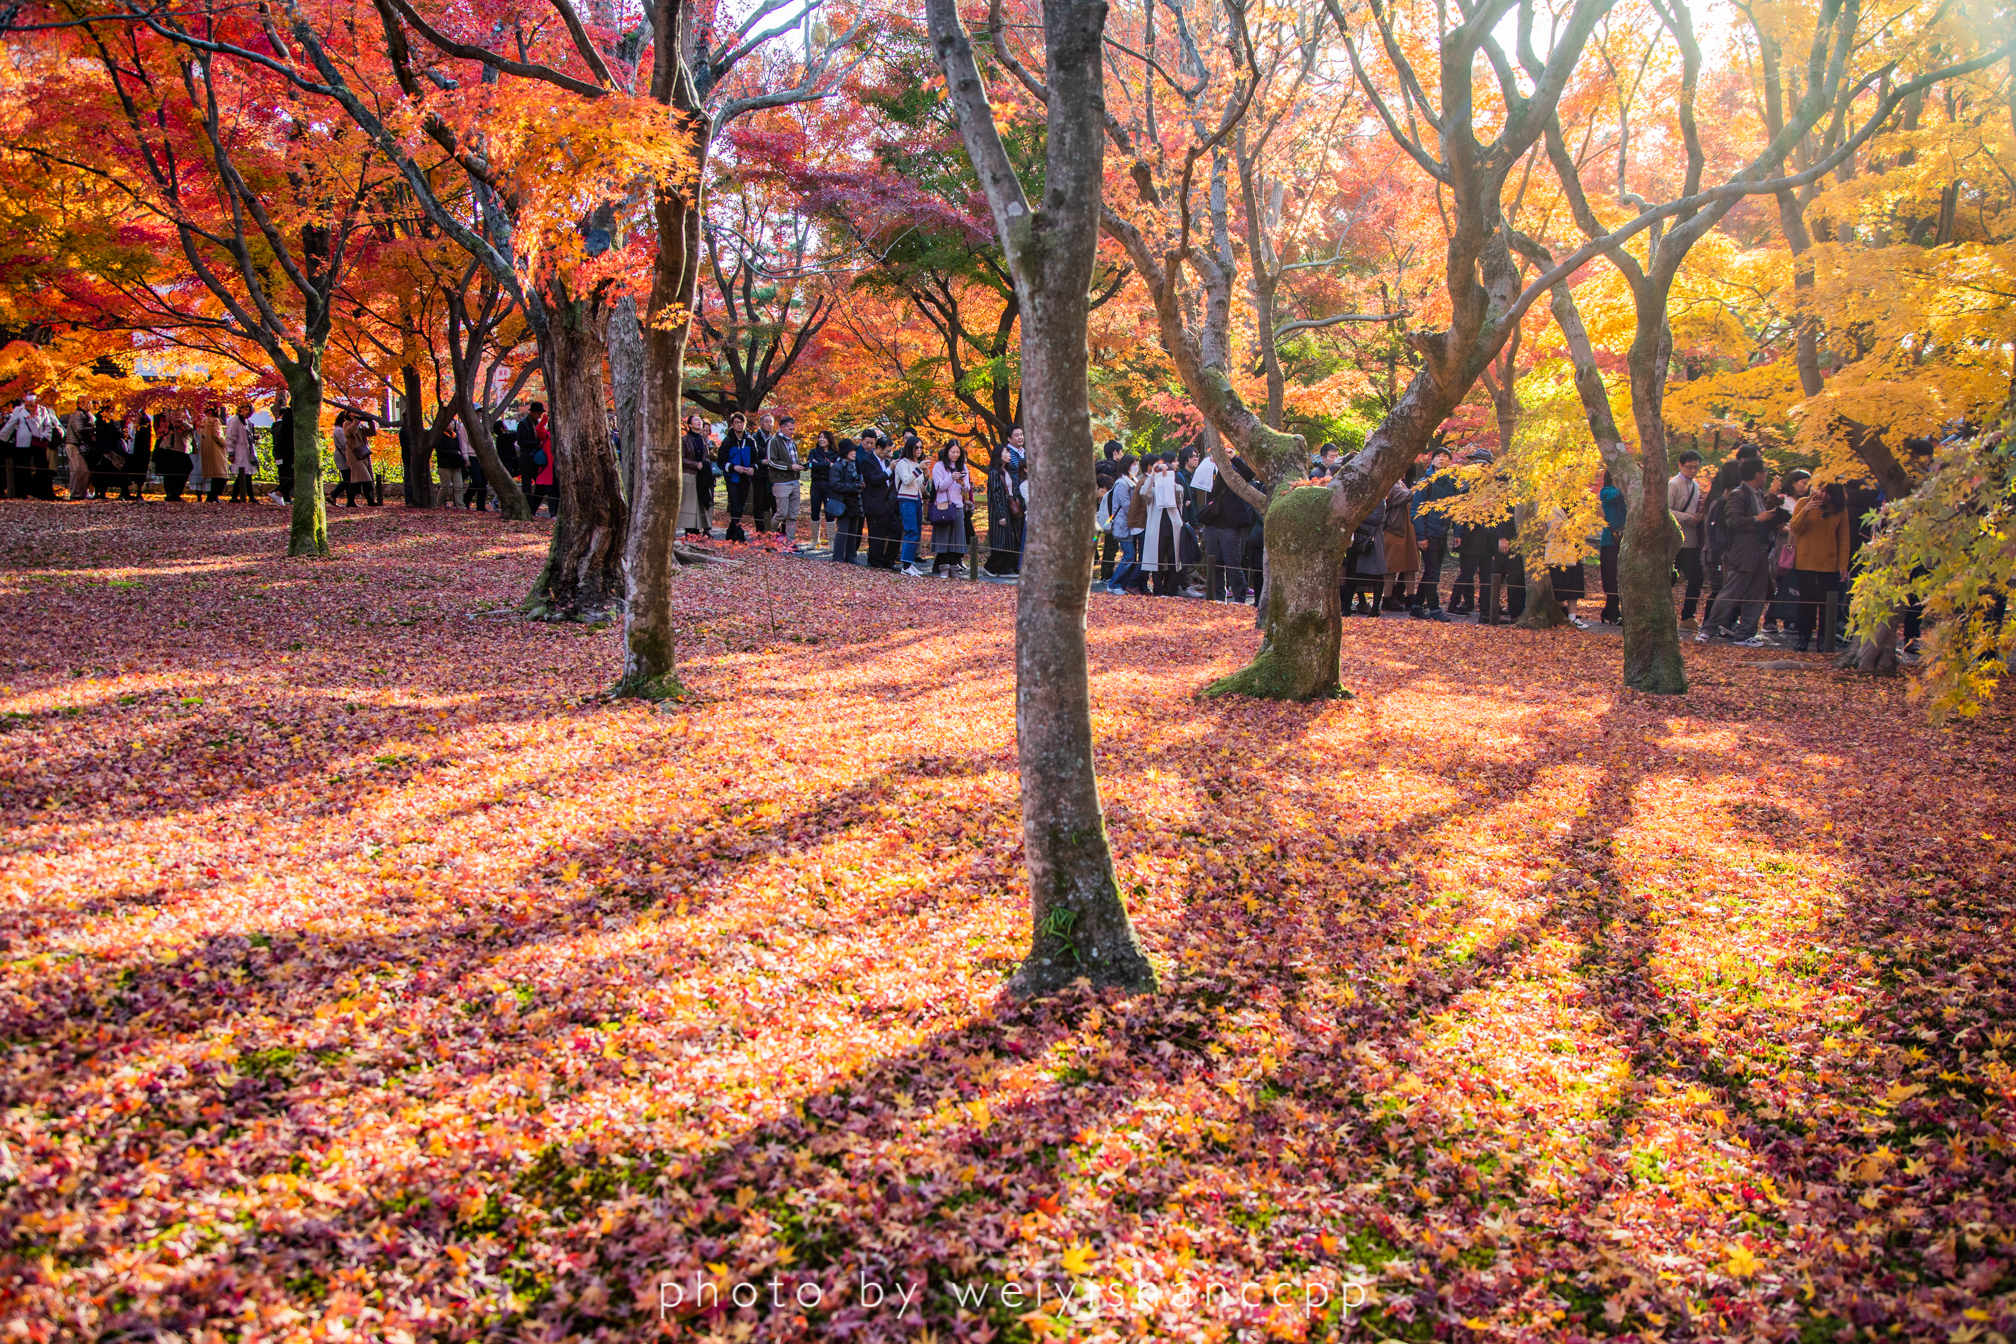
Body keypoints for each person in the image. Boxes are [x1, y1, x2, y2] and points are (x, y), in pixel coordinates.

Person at [1700, 458, 1784, 644]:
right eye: (1765, 471)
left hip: (1760, 550)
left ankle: (1746, 634)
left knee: (1756, 593)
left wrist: (1771, 519)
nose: (1766, 475)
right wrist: (1757, 519)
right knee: (1730, 591)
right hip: (1742, 551)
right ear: (1757, 474)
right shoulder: (1738, 494)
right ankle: (1708, 629)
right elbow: (1733, 521)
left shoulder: (1758, 494)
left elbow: (1762, 517)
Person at [1788, 480, 1850, 652]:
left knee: (1827, 603)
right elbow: (1795, 527)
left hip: (1829, 562)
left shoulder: (1839, 509)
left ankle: (1823, 638)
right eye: (1819, 490)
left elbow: (1844, 538)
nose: (1821, 495)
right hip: (1805, 560)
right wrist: (1806, 510)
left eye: (1826, 492)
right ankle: (1803, 637)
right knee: (1806, 601)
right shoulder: (1803, 503)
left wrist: (1843, 565)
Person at [1191, 448, 1258, 602]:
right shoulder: (1208, 468)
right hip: (1212, 522)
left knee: (1232, 564)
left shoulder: (1233, 470)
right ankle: (1218, 596)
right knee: (1215, 563)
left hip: (1230, 524)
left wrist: (1233, 458)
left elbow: (1249, 475)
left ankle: (1239, 598)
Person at [1411, 448, 1458, 614]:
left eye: (1445, 456)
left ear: (1450, 461)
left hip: (1443, 532)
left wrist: (1457, 533)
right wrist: (1421, 535)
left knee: (1432, 570)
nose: (1441, 459)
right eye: (1438, 456)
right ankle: (1434, 608)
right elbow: (1416, 511)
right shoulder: (1425, 482)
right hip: (1429, 532)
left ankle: (1416, 605)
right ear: (1432, 460)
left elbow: (1457, 509)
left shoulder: (1453, 482)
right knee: (1433, 571)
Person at [1668, 449, 1706, 626]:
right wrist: (1687, 518)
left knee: (1697, 577)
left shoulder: (1696, 486)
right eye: (1689, 467)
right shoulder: (1673, 484)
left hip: (1691, 541)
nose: (1693, 471)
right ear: (1680, 466)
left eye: (1696, 468)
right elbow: (1665, 510)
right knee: (1670, 578)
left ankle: (1687, 616)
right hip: (1675, 540)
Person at [1140, 454, 1186, 595]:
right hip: (1157, 530)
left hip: (1173, 528)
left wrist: (1168, 478)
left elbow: (1179, 493)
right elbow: (1143, 493)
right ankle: (1158, 591)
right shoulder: (1152, 491)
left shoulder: (1176, 488)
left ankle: (1172, 591)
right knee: (1156, 562)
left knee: (1174, 562)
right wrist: (1153, 475)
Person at [1342, 485, 1389, 616]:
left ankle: (1375, 610)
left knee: (1376, 576)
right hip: (1355, 539)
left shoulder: (1379, 499)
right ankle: (1346, 608)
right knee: (1351, 575)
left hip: (1371, 540)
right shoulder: (1354, 497)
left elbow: (1377, 519)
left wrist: (1357, 514)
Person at [1, 393, 59, 499]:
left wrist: (45, 436)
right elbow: (10, 424)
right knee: (22, 468)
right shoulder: (19, 410)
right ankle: (21, 492)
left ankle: (44, 492)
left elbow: (48, 425)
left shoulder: (42, 410)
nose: (31, 404)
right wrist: (2, 438)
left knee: (42, 468)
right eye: (29, 401)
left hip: (38, 441)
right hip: (23, 442)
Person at [986, 426, 1027, 574]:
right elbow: (996, 495)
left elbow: (1012, 488)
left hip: (1010, 507)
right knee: (1002, 541)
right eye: (1006, 452)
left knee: (1010, 540)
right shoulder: (995, 473)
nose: (1009, 454)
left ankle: (1004, 568)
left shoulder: (1007, 471)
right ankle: (991, 567)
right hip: (1001, 509)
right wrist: (1000, 515)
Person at [928, 441, 973, 576]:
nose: (955, 455)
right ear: (947, 451)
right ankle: (943, 567)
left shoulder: (963, 466)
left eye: (958, 452)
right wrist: (951, 478)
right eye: (953, 452)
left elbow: (967, 489)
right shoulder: (939, 466)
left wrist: (963, 483)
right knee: (943, 536)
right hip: (943, 505)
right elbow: (938, 487)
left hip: (958, 505)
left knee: (957, 538)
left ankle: (954, 566)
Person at [1103, 455, 1146, 595]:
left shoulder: (1132, 481)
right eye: (1133, 464)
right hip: (1122, 524)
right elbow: (1127, 505)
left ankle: (1121, 584)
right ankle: (1114, 583)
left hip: (1128, 523)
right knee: (1129, 555)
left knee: (1130, 555)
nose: (1136, 466)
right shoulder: (1122, 484)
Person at [1381, 480, 1420, 611]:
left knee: (1410, 565)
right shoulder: (1390, 484)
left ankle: (1410, 598)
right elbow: (1405, 496)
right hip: (1394, 530)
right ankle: (1387, 598)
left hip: (1408, 529)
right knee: (1391, 566)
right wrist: (1421, 486)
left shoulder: (1401, 483)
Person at [862, 434, 899, 569]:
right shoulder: (868, 461)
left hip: (890, 504)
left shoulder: (888, 462)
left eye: (890, 451)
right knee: (877, 535)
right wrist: (890, 469)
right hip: (875, 503)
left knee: (896, 531)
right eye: (887, 450)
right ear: (878, 448)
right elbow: (874, 480)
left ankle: (889, 560)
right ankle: (875, 561)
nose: (889, 453)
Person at [766, 413, 803, 544]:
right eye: (790, 429)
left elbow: (794, 460)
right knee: (781, 513)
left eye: (793, 429)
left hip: (794, 482)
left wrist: (800, 466)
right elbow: (772, 462)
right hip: (781, 482)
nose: (793, 432)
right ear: (782, 428)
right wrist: (790, 467)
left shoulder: (792, 442)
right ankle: (768, 536)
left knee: (793, 515)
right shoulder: (774, 441)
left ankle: (791, 542)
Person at [719, 412, 755, 541]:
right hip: (732, 478)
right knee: (735, 505)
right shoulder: (727, 441)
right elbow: (721, 462)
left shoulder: (750, 441)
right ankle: (738, 534)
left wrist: (752, 468)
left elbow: (755, 460)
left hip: (746, 478)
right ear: (732, 425)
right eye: (737, 423)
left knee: (741, 506)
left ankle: (731, 532)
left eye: (741, 422)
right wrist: (734, 467)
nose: (739, 425)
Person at [894, 440, 928, 575]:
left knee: (917, 532)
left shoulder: (916, 464)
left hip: (917, 499)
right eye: (916, 447)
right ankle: (906, 565)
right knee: (911, 531)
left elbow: (920, 487)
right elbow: (906, 480)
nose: (919, 450)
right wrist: (919, 469)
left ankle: (910, 562)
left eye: (921, 447)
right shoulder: (902, 463)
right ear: (910, 448)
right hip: (906, 499)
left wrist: (926, 478)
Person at [830, 437, 865, 564]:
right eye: (852, 450)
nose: (855, 452)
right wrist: (855, 487)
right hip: (843, 503)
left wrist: (860, 485)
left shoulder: (852, 465)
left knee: (853, 532)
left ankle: (851, 557)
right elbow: (836, 485)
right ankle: (838, 558)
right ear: (846, 452)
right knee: (843, 531)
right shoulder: (837, 467)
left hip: (854, 503)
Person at [1596, 469, 1625, 624]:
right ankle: (1612, 612)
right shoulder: (1606, 491)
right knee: (1611, 577)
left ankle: (1610, 611)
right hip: (1611, 541)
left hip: (1626, 540)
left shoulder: (1629, 494)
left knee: (1622, 577)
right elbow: (1616, 496)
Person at [679, 412, 712, 535]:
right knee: (689, 503)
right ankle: (689, 530)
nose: (699, 422)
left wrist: (704, 463)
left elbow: (707, 456)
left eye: (700, 420)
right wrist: (695, 464)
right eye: (696, 420)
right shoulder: (684, 440)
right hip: (690, 474)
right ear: (689, 424)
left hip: (702, 475)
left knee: (700, 502)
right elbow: (681, 458)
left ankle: (700, 529)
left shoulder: (703, 440)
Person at [805, 429, 837, 549]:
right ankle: (815, 540)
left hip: (829, 485)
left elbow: (836, 468)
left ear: (829, 439)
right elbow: (811, 465)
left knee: (830, 513)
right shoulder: (813, 452)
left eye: (824, 437)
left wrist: (819, 465)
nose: (821, 439)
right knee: (814, 511)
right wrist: (828, 465)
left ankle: (831, 542)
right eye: (820, 437)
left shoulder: (835, 453)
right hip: (816, 484)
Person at [155, 408, 194, 501]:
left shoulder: (170, 409)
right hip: (176, 445)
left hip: (172, 444)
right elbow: (180, 423)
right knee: (183, 468)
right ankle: (174, 494)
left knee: (171, 470)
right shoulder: (176, 409)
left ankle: (171, 494)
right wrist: (190, 427)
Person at [750, 411, 777, 533]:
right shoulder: (753, 439)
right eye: (766, 421)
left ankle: (769, 529)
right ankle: (760, 530)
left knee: (770, 502)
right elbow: (752, 458)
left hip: (771, 476)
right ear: (761, 423)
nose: (769, 424)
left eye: (771, 422)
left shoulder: (774, 439)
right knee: (759, 503)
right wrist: (762, 462)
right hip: (759, 475)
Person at [226, 403, 257, 501]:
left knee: (247, 475)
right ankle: (236, 496)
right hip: (239, 451)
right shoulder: (234, 422)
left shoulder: (247, 422)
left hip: (247, 451)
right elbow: (230, 438)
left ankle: (249, 496)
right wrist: (231, 453)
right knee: (242, 475)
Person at [270, 396, 295, 503]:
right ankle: (279, 493)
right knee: (290, 474)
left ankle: (280, 494)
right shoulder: (288, 417)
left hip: (285, 451)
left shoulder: (287, 417)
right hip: (286, 452)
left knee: (289, 474)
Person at [125, 406, 152, 501]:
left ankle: (139, 492)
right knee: (125, 469)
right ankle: (125, 492)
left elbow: (146, 438)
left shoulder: (145, 419)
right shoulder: (125, 417)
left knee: (140, 470)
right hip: (127, 448)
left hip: (140, 449)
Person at [435, 423, 465, 506]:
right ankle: (439, 504)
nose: (452, 424)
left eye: (453, 423)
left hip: (456, 464)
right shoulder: (440, 436)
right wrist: (455, 453)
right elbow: (441, 451)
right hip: (445, 465)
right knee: (445, 487)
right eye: (450, 423)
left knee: (458, 487)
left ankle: (460, 505)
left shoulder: (455, 436)